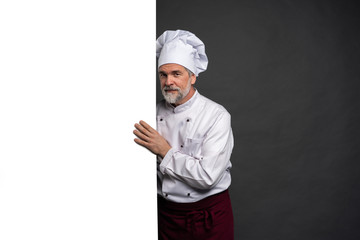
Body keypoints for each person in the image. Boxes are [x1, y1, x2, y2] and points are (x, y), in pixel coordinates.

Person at [133, 29, 234, 240]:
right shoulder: (150, 113)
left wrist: (164, 150)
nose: (168, 81)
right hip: (166, 216)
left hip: (208, 216)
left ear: (193, 76)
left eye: (176, 74)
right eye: (163, 74)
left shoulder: (216, 116)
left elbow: (207, 177)